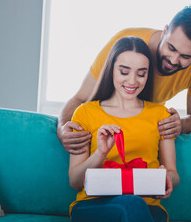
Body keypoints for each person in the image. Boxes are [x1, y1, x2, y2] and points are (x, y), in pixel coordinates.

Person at [59, 6, 191, 155]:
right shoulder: (122, 45)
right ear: (164, 31)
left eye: (185, 57)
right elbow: (80, 98)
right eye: (171, 48)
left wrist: (182, 125)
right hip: (103, 129)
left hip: (144, 132)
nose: (173, 60)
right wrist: (62, 129)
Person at [68, 36, 179, 222]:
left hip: (148, 206)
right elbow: (75, 181)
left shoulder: (161, 115)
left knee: (136, 205)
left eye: (141, 74)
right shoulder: (85, 112)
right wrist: (100, 153)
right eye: (124, 72)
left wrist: (167, 178)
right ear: (111, 69)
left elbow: (173, 174)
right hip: (94, 205)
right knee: (131, 204)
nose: (132, 81)